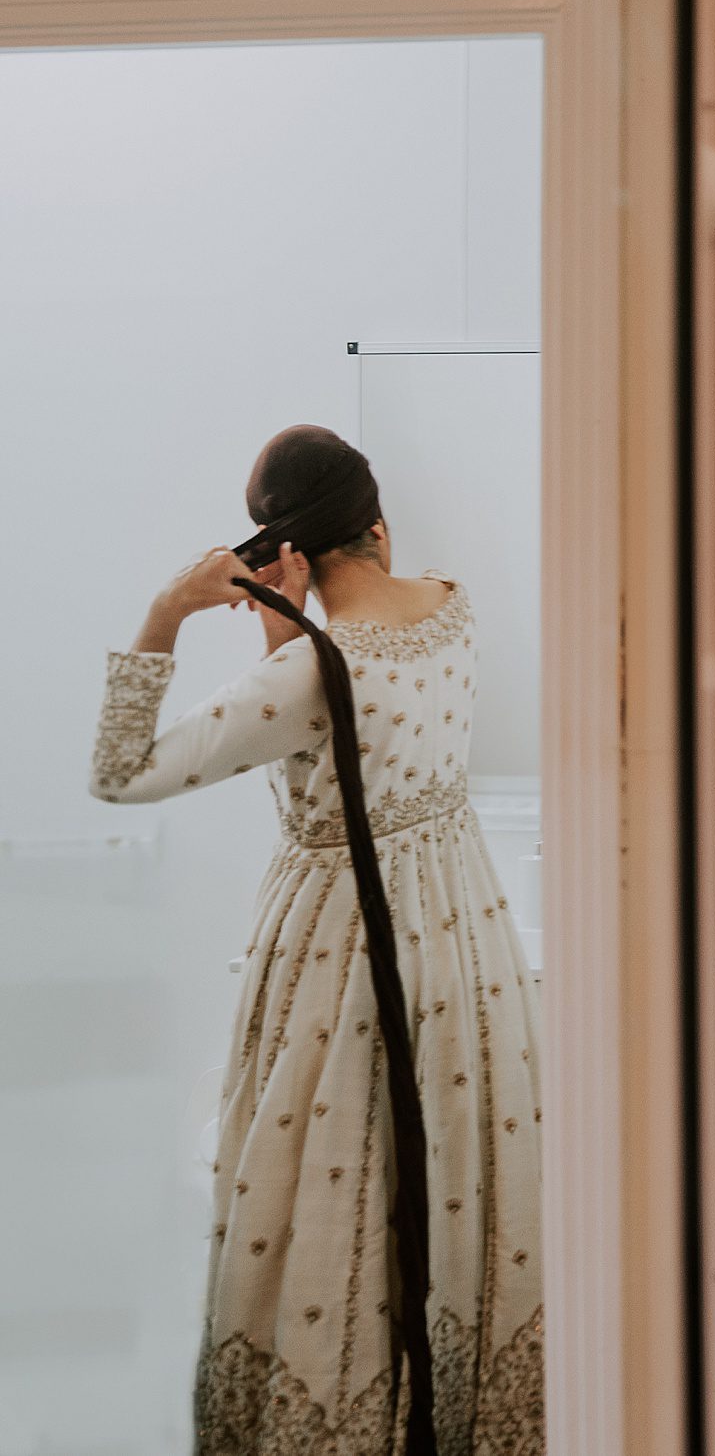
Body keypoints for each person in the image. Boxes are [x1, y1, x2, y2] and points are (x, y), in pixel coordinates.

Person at [88, 426, 542, 1455]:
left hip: (343, 947)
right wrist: (287, 631)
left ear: (275, 546)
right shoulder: (453, 608)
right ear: (374, 523)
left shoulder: (299, 679)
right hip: (461, 936)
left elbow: (122, 770)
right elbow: (359, 733)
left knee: (340, 1177)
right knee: (445, 1164)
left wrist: (167, 609)